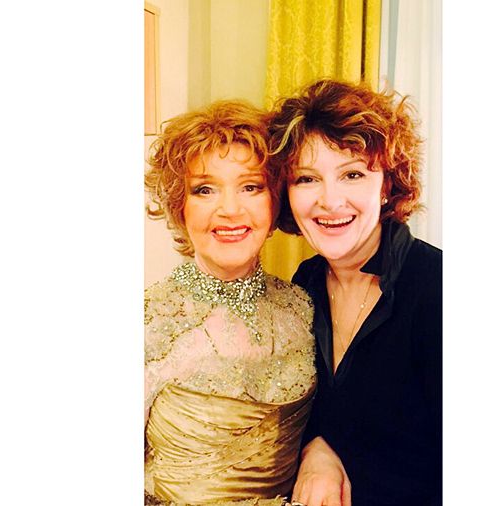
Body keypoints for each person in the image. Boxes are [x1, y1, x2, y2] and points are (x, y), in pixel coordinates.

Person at [267, 79, 442, 506]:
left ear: (387, 185)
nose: (330, 201)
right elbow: (316, 410)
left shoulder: (438, 287)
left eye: (352, 174)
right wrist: (316, 447)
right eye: (307, 178)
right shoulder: (305, 282)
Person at [144, 100, 317, 506]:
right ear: (179, 206)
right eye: (204, 189)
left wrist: (321, 454)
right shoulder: (148, 320)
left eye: (250, 186)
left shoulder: (303, 307)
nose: (230, 210)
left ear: (274, 201)